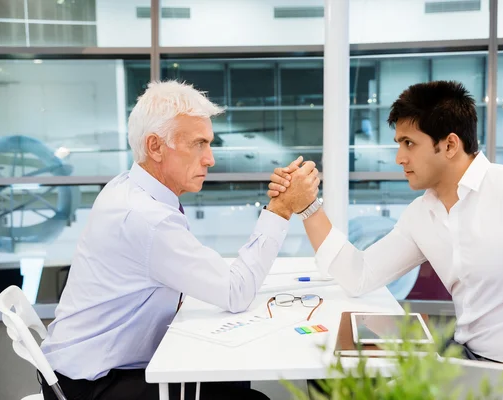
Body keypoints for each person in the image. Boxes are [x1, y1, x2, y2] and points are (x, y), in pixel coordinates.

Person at [268, 80, 503, 368]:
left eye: (408, 143)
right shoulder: (421, 215)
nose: (399, 157)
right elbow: (360, 274)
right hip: (469, 361)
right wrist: (308, 206)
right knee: (331, 379)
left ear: (450, 145)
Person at [39, 80, 320, 400]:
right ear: (156, 146)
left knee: (232, 381)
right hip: (95, 385)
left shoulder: (128, 187)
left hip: (84, 369)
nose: (210, 158)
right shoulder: (146, 217)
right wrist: (281, 208)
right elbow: (235, 291)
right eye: (198, 144)